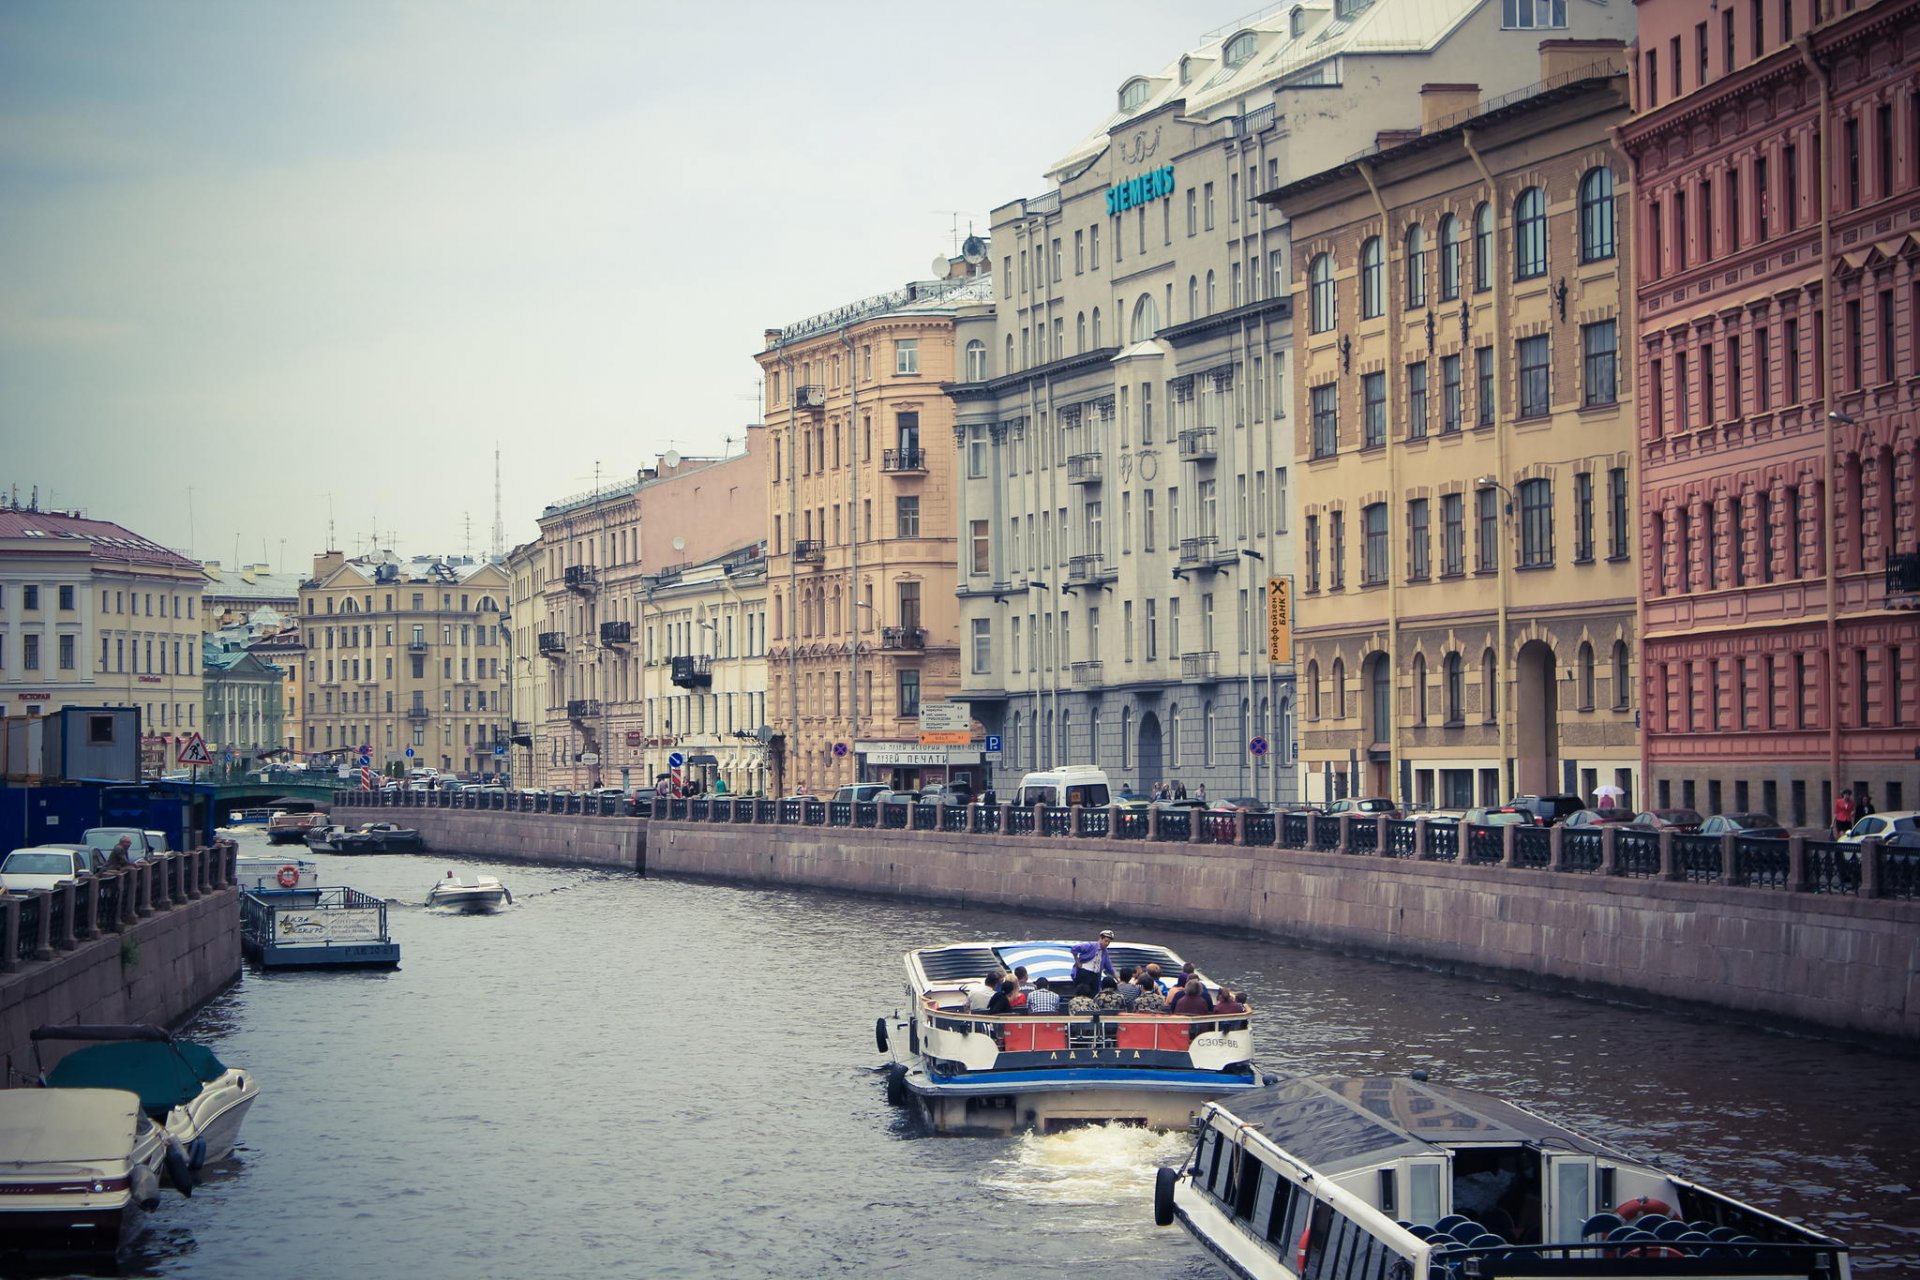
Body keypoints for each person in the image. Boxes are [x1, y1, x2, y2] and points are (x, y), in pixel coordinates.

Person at [1068, 929, 1118, 995]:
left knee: (1094, 994)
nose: (1107, 944)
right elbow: (1074, 948)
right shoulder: (1090, 946)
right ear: (1100, 939)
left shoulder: (1105, 953)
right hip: (1085, 973)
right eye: (1105, 941)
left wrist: (1118, 979)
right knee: (1082, 993)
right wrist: (1077, 961)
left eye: (1109, 942)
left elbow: (1109, 967)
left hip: (1095, 976)